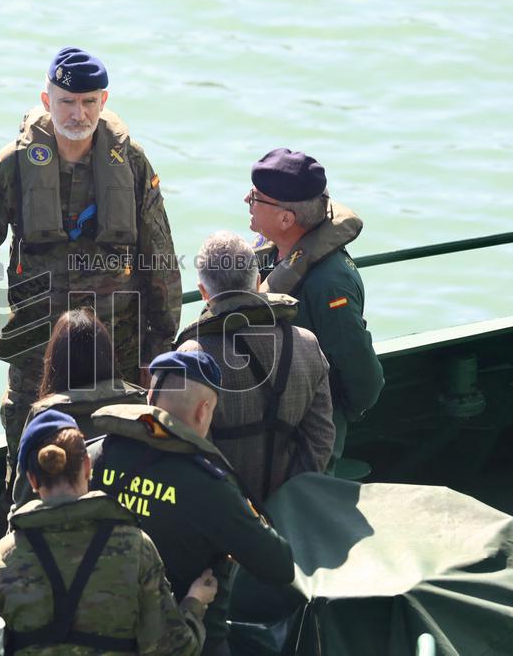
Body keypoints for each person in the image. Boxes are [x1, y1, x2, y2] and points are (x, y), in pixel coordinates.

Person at [0, 46, 182, 519]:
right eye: (66, 102)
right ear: (46, 98)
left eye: (89, 102)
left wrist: (155, 353)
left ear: (104, 100)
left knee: (116, 471)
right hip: (37, 347)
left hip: (114, 351)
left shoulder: (131, 162)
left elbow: (158, 260)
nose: (78, 114)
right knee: (27, 469)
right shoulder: (14, 166)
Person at [89, 351, 294, 656]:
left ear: (149, 398)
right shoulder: (209, 484)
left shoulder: (93, 457)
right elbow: (279, 566)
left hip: (96, 630)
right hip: (190, 639)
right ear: (203, 411)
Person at [0, 409, 217, 655]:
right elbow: (173, 649)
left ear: (32, 480)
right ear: (87, 467)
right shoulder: (135, 547)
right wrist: (195, 603)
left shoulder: (4, 557)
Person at [247, 149, 384, 472]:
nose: (247, 201)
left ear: (286, 218)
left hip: (309, 430)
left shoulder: (329, 284)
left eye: (256, 197)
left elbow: (359, 368)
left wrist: (339, 414)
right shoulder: (272, 251)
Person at [178, 231, 335, 501]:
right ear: (259, 281)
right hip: (289, 511)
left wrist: (240, 515)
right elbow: (321, 439)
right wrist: (286, 504)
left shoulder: (192, 358)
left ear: (204, 292)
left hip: (224, 517)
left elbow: (189, 453)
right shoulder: (307, 345)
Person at [11, 309, 146, 509]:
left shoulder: (44, 417)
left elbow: (23, 499)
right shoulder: (138, 403)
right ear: (108, 354)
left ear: (54, 361)